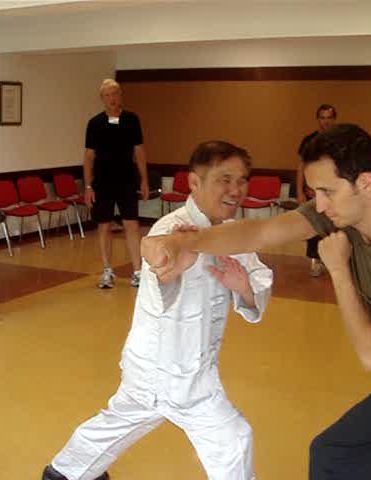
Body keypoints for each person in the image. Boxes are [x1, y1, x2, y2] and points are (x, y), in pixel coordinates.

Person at [143, 124, 371, 479]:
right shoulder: (343, 210)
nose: (318, 204)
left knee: (334, 455)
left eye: (327, 191)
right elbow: (260, 231)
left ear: (364, 182)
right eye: (315, 191)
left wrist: (338, 270)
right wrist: (184, 242)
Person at [43, 141, 273, 480]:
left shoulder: (232, 233)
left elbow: (256, 281)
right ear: (194, 183)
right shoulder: (172, 230)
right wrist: (173, 266)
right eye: (225, 179)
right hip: (169, 370)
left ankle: (64, 472)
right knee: (233, 439)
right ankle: (66, 472)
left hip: (179, 367)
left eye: (242, 180)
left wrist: (243, 288)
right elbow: (158, 269)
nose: (236, 190)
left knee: (121, 419)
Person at [84, 79, 149, 289]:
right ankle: (107, 270)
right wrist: (88, 186)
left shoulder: (132, 120)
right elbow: (88, 156)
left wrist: (144, 180)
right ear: (102, 99)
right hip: (102, 181)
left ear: (120, 96)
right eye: (108, 95)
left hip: (127, 179)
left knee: (131, 224)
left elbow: (139, 151)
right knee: (104, 225)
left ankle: (138, 271)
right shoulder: (94, 123)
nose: (112, 99)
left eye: (115, 94)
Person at [296, 104, 337, 276]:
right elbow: (301, 167)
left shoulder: (339, 141)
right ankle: (316, 261)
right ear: (318, 119)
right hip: (312, 192)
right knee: (314, 226)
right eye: (322, 117)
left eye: (329, 117)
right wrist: (300, 191)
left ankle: (335, 262)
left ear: (334, 119)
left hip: (333, 193)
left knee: (334, 227)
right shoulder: (309, 141)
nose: (325, 121)